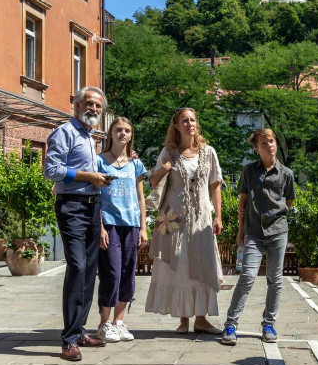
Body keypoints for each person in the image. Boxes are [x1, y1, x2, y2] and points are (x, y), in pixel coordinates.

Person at [44, 86, 111, 362]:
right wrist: (87, 176)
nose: (94, 109)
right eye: (89, 104)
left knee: (89, 270)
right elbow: (52, 170)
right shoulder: (65, 132)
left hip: (93, 207)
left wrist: (100, 177)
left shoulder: (90, 137)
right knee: (78, 267)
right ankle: (69, 341)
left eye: (98, 106)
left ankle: (80, 330)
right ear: (76, 105)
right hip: (71, 206)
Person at [145, 108, 224, 335]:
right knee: (179, 265)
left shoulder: (208, 152)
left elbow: (215, 185)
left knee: (202, 264)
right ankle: (183, 319)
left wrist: (218, 215)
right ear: (176, 126)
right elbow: (153, 181)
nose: (189, 123)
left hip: (201, 220)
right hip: (174, 219)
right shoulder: (168, 152)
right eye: (184, 120)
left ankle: (201, 319)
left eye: (192, 120)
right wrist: (165, 167)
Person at [221, 129, 295, 345]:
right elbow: (242, 200)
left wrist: (276, 217)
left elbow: (288, 202)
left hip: (278, 231)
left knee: (275, 280)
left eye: (271, 141)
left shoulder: (286, 173)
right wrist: (240, 229)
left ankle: (269, 324)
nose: (269, 145)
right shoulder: (249, 171)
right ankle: (230, 324)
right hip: (253, 232)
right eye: (264, 143)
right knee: (247, 277)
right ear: (256, 149)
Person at [94, 117, 148, 343]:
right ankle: (104, 324)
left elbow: (140, 197)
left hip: (132, 225)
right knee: (111, 273)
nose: (122, 134)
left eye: (127, 130)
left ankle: (119, 322)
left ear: (131, 135)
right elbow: (95, 196)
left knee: (128, 274)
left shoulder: (136, 164)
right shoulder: (98, 162)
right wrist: (100, 226)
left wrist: (144, 227)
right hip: (110, 224)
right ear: (110, 133)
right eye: (118, 130)